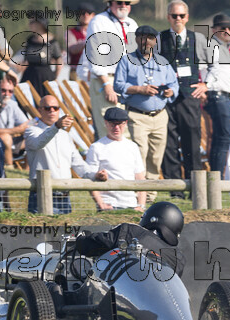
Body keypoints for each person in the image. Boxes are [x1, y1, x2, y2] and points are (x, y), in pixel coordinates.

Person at [114, 24, 177, 193]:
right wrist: (140, 89)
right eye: (142, 37)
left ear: (155, 41)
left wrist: (171, 91)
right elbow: (118, 85)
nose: (146, 41)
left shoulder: (163, 62)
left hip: (160, 116)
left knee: (156, 156)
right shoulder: (126, 60)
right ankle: (137, 193)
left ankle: (150, 194)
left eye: (150, 38)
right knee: (140, 154)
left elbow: (173, 83)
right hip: (137, 115)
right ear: (136, 39)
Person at [158, 1, 211, 187]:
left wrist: (206, 84)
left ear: (187, 17)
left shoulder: (198, 38)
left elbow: (213, 64)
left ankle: (194, 185)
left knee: (192, 141)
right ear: (168, 17)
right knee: (168, 142)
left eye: (181, 16)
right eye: (174, 16)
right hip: (166, 97)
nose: (178, 19)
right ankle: (174, 187)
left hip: (190, 96)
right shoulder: (159, 38)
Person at [25, 94, 99, 214]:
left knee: (64, 233)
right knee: (42, 232)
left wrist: (95, 175)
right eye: (47, 108)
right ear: (40, 110)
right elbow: (39, 143)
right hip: (41, 195)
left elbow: (78, 164)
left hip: (65, 198)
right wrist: (56, 126)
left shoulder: (65, 136)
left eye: (55, 108)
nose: (52, 111)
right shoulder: (31, 131)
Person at [74, 201, 185, 276]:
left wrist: (80, 239)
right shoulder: (178, 259)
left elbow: (94, 244)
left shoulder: (132, 231)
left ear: (152, 218)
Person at [80, 0, 138, 139]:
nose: (123, 5)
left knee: (127, 132)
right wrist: (106, 84)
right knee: (109, 129)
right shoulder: (99, 21)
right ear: (110, 3)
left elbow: (135, 54)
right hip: (106, 79)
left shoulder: (132, 23)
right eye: (119, 2)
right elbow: (95, 55)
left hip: (127, 81)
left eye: (127, 2)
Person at [85, 107, 147, 211]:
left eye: (120, 124)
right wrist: (101, 204)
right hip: (109, 206)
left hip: (131, 205)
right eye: (113, 124)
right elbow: (90, 178)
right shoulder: (96, 147)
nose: (116, 127)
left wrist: (141, 205)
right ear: (106, 123)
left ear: (126, 123)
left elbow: (140, 178)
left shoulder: (132, 147)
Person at [196, 13, 230, 173]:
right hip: (216, 94)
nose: (227, 30)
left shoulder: (223, 47)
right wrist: (204, 87)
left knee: (220, 138)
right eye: (222, 28)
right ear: (214, 30)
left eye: (229, 27)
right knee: (223, 138)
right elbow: (200, 68)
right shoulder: (212, 46)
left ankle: (215, 176)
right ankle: (216, 177)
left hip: (222, 95)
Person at [18, 16, 61, 98]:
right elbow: (25, 60)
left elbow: (58, 60)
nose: (29, 25)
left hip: (45, 75)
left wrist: (54, 76)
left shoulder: (52, 41)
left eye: (32, 22)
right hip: (30, 75)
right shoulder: (30, 40)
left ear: (40, 24)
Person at [0, 77, 30, 167]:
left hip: (12, 141)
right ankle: (9, 168)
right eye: (3, 90)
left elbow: (27, 123)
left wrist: (32, 123)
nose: (7, 94)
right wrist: (17, 130)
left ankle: (28, 173)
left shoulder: (12, 104)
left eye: (10, 91)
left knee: (34, 138)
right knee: (5, 138)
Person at [66, 3, 94, 79]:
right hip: (76, 71)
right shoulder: (71, 32)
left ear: (93, 15)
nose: (86, 15)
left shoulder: (97, 31)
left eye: (89, 13)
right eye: (82, 13)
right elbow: (72, 50)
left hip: (94, 70)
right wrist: (87, 42)